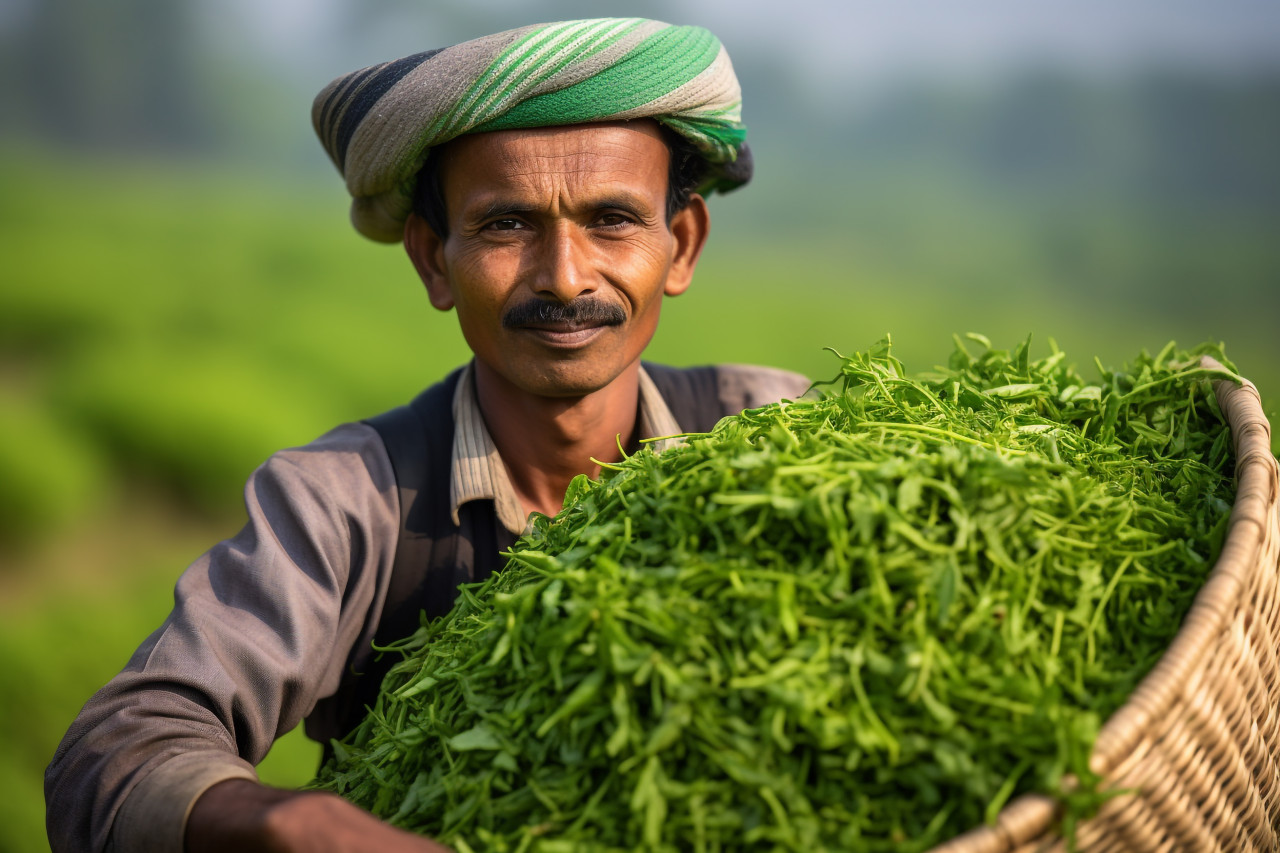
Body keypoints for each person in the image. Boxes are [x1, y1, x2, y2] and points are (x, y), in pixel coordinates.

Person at [45, 18, 809, 853]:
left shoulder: (775, 437)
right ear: (433, 261)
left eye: (612, 220)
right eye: (506, 225)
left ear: (682, 245)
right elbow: (117, 749)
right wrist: (291, 822)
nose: (564, 275)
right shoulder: (347, 505)